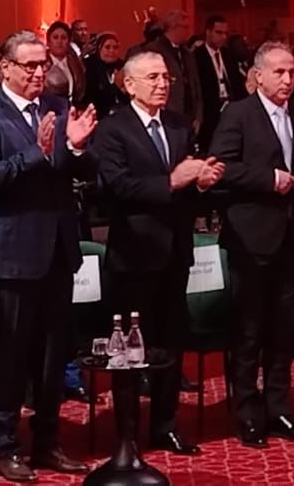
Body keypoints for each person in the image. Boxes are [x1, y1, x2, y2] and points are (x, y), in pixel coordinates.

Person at [0, 30, 96, 482]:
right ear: (5, 67)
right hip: (10, 250)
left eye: (43, 65)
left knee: (52, 354)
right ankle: (6, 445)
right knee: (12, 353)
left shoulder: (57, 106)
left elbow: (85, 170)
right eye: (30, 65)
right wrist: (38, 152)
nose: (40, 72)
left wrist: (75, 147)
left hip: (57, 246)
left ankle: (47, 440)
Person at [94, 51, 222, 455]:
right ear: (129, 84)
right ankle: (127, 432)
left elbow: (188, 192)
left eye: (166, 77)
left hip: (175, 252)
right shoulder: (113, 129)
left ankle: (165, 423)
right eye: (152, 77)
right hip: (134, 253)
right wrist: (171, 182)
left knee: (170, 343)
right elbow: (116, 188)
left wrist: (202, 184)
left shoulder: (179, 124)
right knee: (131, 351)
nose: (163, 84)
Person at [209, 41, 294, 448]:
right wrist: (268, 178)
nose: (288, 79)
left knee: (283, 330)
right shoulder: (238, 114)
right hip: (251, 236)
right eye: (279, 72)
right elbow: (220, 168)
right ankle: (246, 411)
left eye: (292, 72)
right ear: (258, 76)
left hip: (293, 237)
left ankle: (279, 408)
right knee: (249, 330)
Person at [194, 15, 247, 153]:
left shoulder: (228, 55)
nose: (223, 37)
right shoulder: (196, 56)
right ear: (208, 32)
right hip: (210, 112)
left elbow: (238, 85)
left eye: (225, 33)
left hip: (231, 109)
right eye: (219, 32)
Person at [144, 10, 202, 127]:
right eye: (185, 27)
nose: (188, 31)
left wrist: (198, 116)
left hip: (189, 115)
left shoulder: (187, 53)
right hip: (166, 114)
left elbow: (196, 85)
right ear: (172, 27)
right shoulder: (154, 50)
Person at [84, 32, 126, 119]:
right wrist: (116, 86)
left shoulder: (123, 66)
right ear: (99, 49)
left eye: (115, 47)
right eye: (107, 47)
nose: (111, 51)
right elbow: (93, 98)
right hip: (99, 115)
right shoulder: (90, 67)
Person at [43, 21, 86, 106]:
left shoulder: (76, 63)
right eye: (55, 37)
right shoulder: (41, 63)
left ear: (69, 41)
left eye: (63, 38)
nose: (59, 41)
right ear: (48, 42)